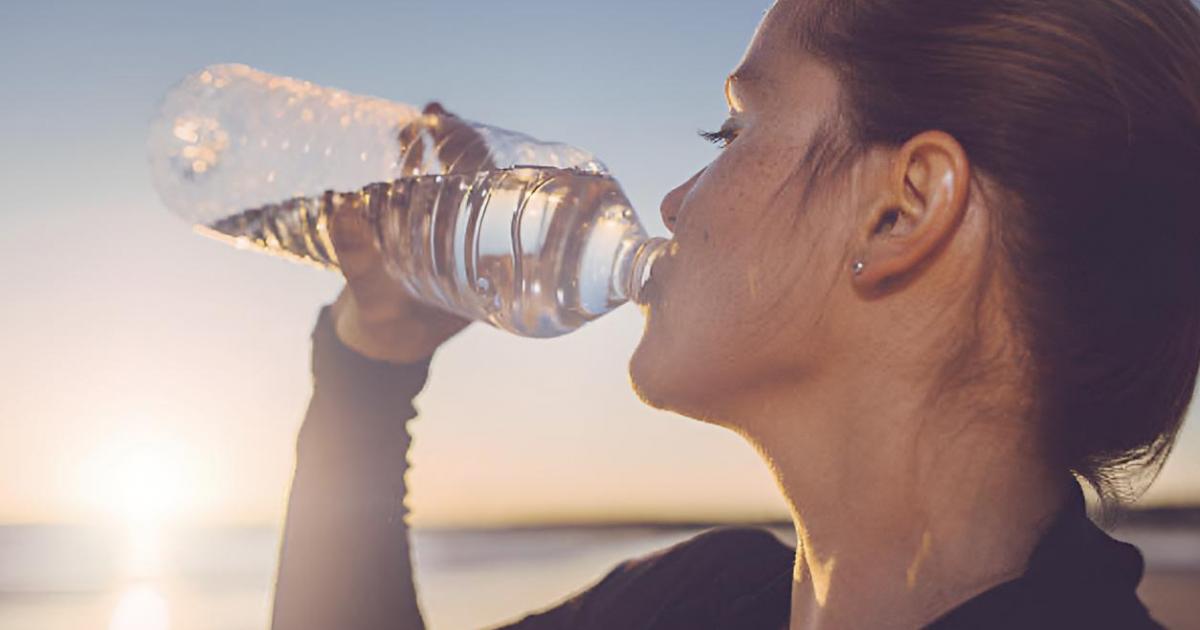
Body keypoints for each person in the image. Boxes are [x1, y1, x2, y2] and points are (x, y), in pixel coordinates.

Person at [269, 0, 1200, 628]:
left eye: (734, 130)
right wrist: (372, 360)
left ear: (903, 208)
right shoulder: (703, 601)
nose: (673, 202)